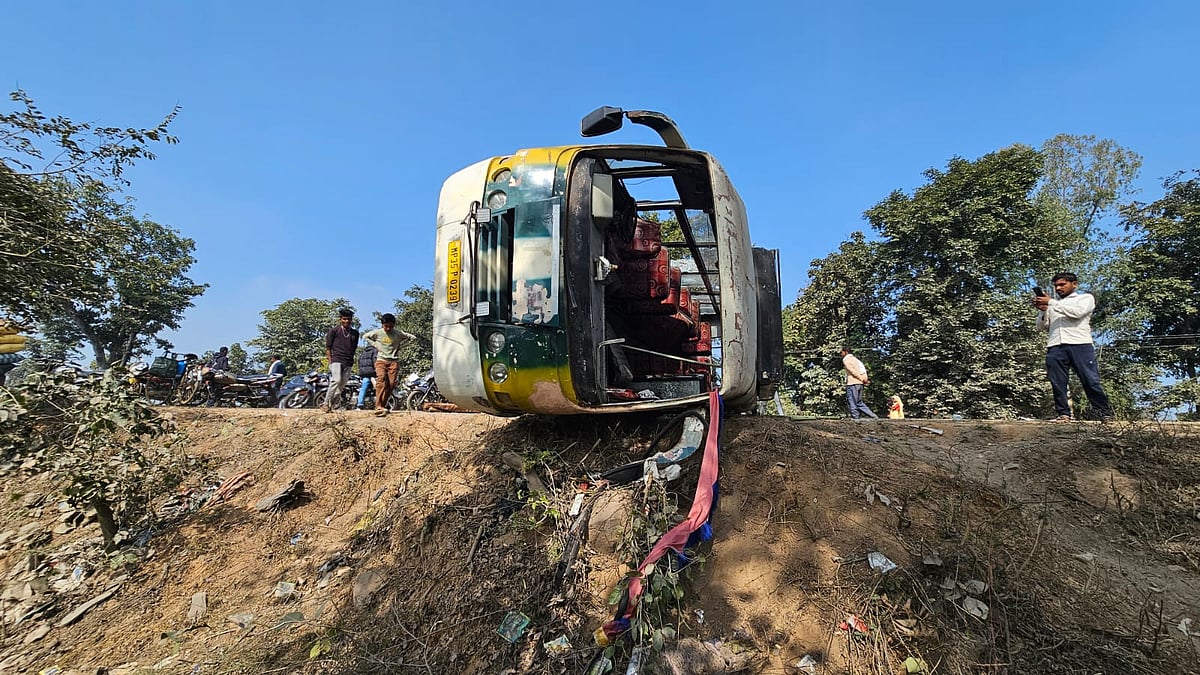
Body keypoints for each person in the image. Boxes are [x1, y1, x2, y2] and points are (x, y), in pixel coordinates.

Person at [1033, 272, 1114, 422]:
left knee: (1090, 380)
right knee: (1057, 382)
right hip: (1055, 345)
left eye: (1062, 284)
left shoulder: (1085, 299)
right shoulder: (1052, 304)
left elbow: (1077, 313)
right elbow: (1041, 326)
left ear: (1074, 284)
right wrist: (1043, 311)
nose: (1058, 288)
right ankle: (1063, 414)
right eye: (1056, 285)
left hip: (1080, 344)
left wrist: (1051, 303)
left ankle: (1104, 414)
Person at [361, 313, 416, 417]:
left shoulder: (398, 334)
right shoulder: (378, 333)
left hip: (393, 362)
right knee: (381, 380)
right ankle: (378, 406)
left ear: (394, 325)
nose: (388, 328)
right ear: (382, 325)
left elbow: (413, 338)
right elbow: (365, 336)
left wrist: (400, 346)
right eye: (386, 326)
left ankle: (383, 404)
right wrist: (375, 344)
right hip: (381, 361)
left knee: (391, 384)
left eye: (390, 326)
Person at [323, 308, 359, 412]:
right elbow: (328, 348)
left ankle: (334, 405)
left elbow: (354, 348)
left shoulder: (355, 333)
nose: (347, 321)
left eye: (349, 319)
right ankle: (326, 403)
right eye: (344, 319)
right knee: (336, 380)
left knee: (342, 384)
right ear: (340, 319)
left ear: (352, 320)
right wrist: (330, 361)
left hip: (348, 361)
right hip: (336, 359)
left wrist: (352, 361)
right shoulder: (334, 331)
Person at [840, 348, 878, 420]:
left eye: (841, 352)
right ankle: (872, 415)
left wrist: (860, 378)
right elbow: (862, 370)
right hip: (860, 384)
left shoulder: (846, 360)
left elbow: (852, 371)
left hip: (852, 383)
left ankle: (855, 418)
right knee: (859, 402)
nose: (841, 354)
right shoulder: (856, 360)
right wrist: (865, 380)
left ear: (846, 352)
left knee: (852, 401)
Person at [355, 342, 378, 410]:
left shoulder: (363, 352)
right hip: (372, 373)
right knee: (377, 386)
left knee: (363, 388)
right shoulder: (375, 351)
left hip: (364, 373)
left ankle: (360, 404)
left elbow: (359, 361)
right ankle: (380, 403)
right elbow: (375, 361)